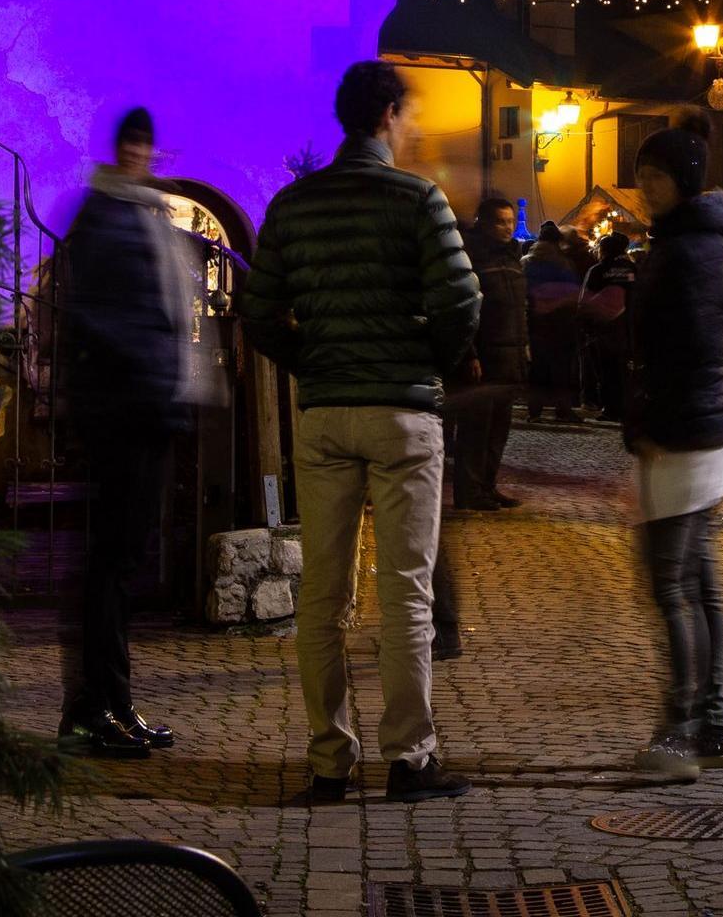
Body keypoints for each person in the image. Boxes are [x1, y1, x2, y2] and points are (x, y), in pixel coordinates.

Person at [239, 61, 481, 804]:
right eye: (406, 115)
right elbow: (461, 301)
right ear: (387, 117)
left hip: (325, 412)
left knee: (323, 593)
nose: (409, 127)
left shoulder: (293, 205)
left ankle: (328, 761)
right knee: (405, 590)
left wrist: (312, 357)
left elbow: (255, 313)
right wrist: (429, 362)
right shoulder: (418, 200)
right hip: (403, 413)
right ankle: (411, 759)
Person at [625, 125, 723, 781]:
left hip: (681, 434)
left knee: (671, 585)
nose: (645, 186)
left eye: (656, 175)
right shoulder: (721, 246)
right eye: (642, 173)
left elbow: (665, 355)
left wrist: (646, 421)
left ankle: (679, 734)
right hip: (713, 433)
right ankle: (711, 727)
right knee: (701, 584)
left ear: (684, 179)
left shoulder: (683, 251)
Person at [57, 108, 198, 758]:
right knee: (112, 563)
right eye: (132, 142)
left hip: (142, 407)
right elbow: (103, 319)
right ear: (117, 149)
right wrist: (151, 377)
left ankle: (112, 702)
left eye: (147, 141)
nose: (141, 151)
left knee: (121, 562)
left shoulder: (137, 213)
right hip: (126, 410)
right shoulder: (107, 217)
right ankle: (94, 709)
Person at [452, 195, 526, 510]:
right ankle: (469, 491)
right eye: (500, 221)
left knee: (499, 427)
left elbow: (520, 308)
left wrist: (525, 345)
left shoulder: (512, 257)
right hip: (484, 356)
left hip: (510, 355)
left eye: (510, 221)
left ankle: (487, 485)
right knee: (476, 428)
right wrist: (470, 354)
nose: (507, 227)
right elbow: (464, 310)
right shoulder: (471, 256)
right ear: (485, 222)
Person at [525, 222, 585, 423]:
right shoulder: (563, 263)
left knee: (537, 369)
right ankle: (563, 409)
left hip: (534, 323)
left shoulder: (526, 262)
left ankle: (534, 410)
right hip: (561, 324)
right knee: (561, 369)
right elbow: (573, 294)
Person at [580, 231, 638, 420]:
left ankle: (611, 408)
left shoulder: (597, 270)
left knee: (606, 371)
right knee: (625, 371)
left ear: (604, 250)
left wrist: (586, 325)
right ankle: (627, 407)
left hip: (603, 330)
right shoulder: (633, 269)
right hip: (628, 329)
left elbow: (585, 301)